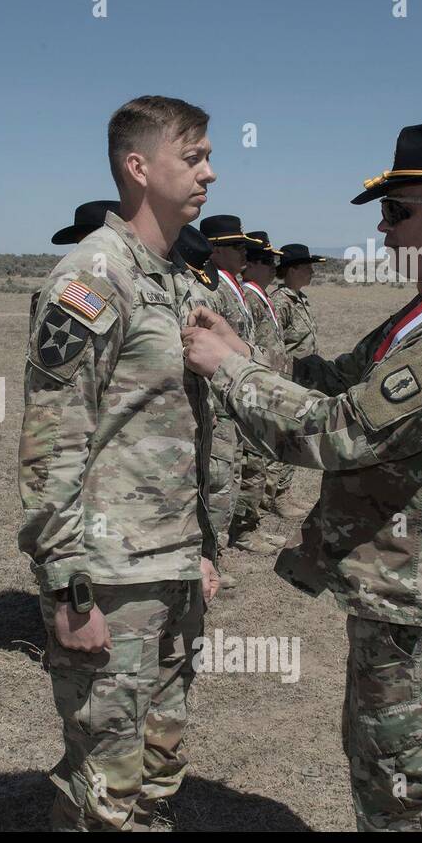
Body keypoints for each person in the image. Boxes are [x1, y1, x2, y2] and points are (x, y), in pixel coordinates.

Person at [181, 123, 422, 831]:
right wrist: (241, 345)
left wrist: (227, 368)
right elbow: (327, 380)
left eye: (399, 212)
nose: (383, 227)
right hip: (403, 602)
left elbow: (333, 429)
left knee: (413, 805)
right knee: (385, 780)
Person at [18, 95, 220, 831]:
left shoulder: (175, 279)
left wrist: (201, 548)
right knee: (107, 785)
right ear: (138, 167)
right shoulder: (94, 279)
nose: (210, 173)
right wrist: (71, 590)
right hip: (110, 577)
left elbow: (185, 433)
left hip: (170, 565)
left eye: (207, 157)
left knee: (161, 769)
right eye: (192, 157)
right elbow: (52, 443)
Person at [198, 215, 262, 584]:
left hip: (233, 394)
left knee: (230, 470)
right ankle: (210, 558)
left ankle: (215, 554)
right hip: (218, 397)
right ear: (217, 250)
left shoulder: (230, 286)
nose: (245, 254)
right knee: (218, 475)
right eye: (238, 247)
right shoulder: (214, 288)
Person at [229, 231, 287, 553]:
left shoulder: (251, 294)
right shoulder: (248, 295)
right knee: (249, 462)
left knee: (257, 459)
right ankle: (242, 529)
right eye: (266, 262)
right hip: (248, 386)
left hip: (261, 384)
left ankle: (250, 524)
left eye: (274, 262)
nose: (272, 268)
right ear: (250, 265)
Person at [265, 243, 329, 519]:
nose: (312, 272)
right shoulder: (281, 303)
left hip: (303, 379)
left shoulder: (299, 299)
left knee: (297, 434)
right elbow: (273, 343)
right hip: (288, 378)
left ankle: (283, 491)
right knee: (284, 436)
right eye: (307, 267)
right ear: (292, 270)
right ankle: (273, 497)